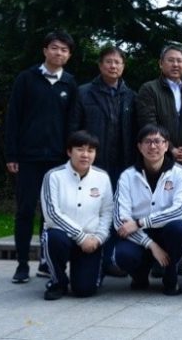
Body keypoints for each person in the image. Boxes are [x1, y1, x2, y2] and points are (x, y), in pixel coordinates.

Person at [5, 30, 77, 284]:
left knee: (52, 214)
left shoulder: (70, 83)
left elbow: (72, 123)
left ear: (69, 55)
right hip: (28, 157)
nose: (59, 53)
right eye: (55, 48)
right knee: (25, 210)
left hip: (58, 160)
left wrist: (71, 156)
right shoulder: (26, 79)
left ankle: (47, 262)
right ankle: (22, 264)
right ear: (45, 50)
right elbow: (13, 117)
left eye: (64, 50)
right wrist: (11, 154)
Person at [70, 45, 136, 277]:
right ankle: (87, 257)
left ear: (123, 66)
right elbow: (73, 128)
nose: (113, 66)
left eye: (118, 62)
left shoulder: (131, 96)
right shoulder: (84, 93)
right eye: (108, 61)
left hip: (122, 164)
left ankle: (109, 259)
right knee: (92, 211)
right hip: (93, 165)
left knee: (115, 212)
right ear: (100, 65)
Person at [113, 124, 182, 295]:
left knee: (178, 229)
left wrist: (141, 222)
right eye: (147, 142)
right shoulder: (127, 176)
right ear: (139, 147)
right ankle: (139, 276)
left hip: (165, 232)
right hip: (139, 236)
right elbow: (120, 220)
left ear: (166, 145)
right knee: (123, 255)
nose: (153, 146)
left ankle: (170, 275)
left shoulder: (180, 173)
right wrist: (151, 244)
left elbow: (180, 211)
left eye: (158, 141)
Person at [40, 131, 113, 300]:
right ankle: (58, 281)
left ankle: (92, 271)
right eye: (80, 149)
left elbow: (107, 211)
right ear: (69, 151)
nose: (85, 155)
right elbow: (51, 214)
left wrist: (98, 238)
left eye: (90, 150)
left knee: (84, 290)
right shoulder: (53, 176)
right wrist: (80, 236)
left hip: (91, 240)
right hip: (63, 235)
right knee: (53, 238)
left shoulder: (102, 178)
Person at [136, 45, 182, 168]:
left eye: (179, 61)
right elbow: (148, 123)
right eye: (171, 60)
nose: (175, 64)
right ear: (161, 64)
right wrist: (170, 148)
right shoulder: (149, 89)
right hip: (156, 156)